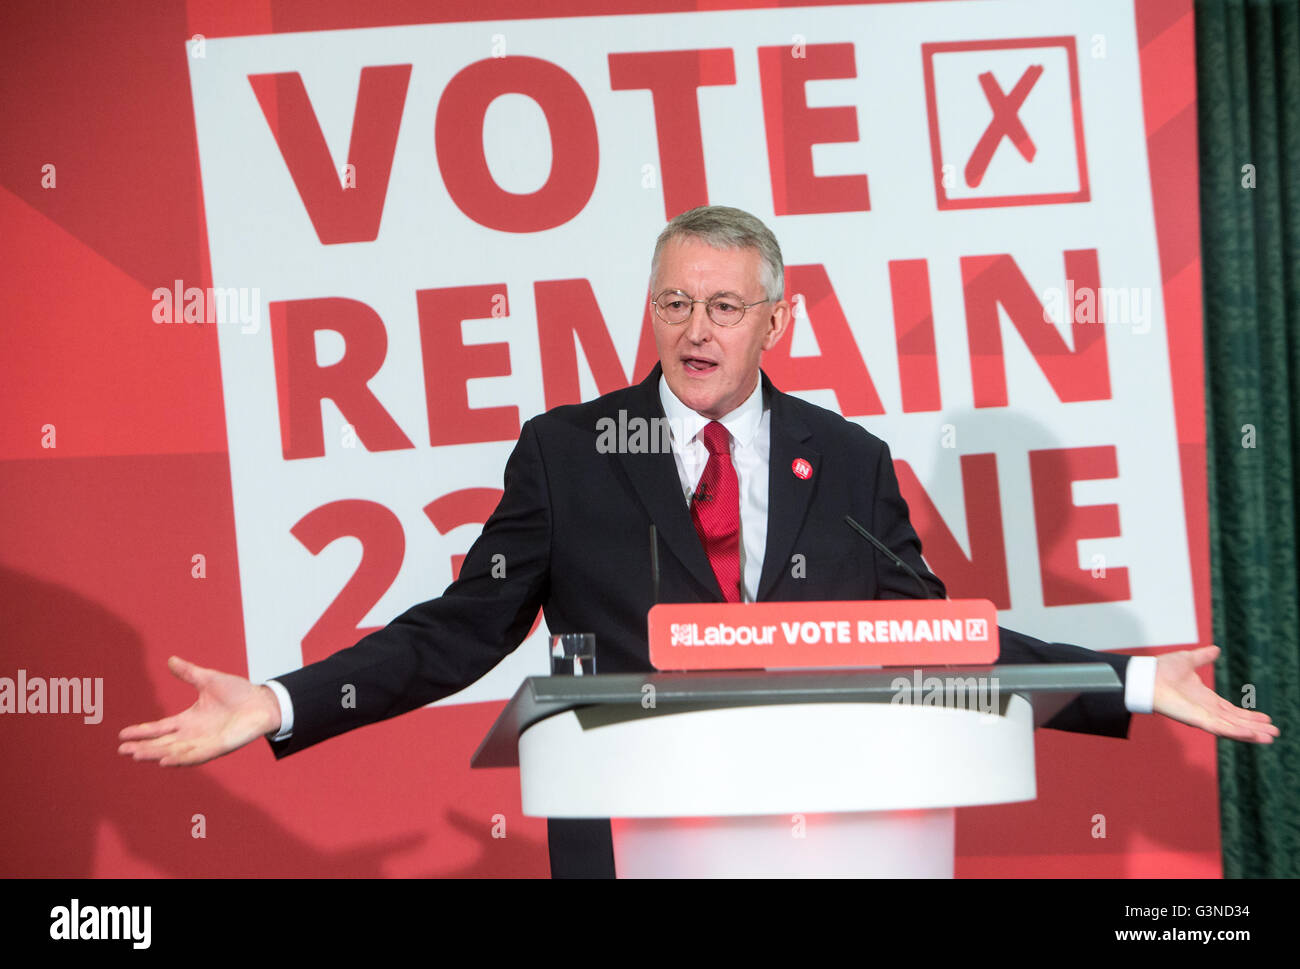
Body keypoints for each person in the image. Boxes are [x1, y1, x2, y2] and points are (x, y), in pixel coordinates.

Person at [120, 205, 1278, 877]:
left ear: (778, 319)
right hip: (629, 841)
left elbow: (932, 638)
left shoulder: (849, 457)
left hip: (822, 842)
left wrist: (1123, 680)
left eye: (724, 306)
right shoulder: (569, 452)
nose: (695, 329)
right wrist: (279, 701)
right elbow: (462, 629)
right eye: (673, 302)